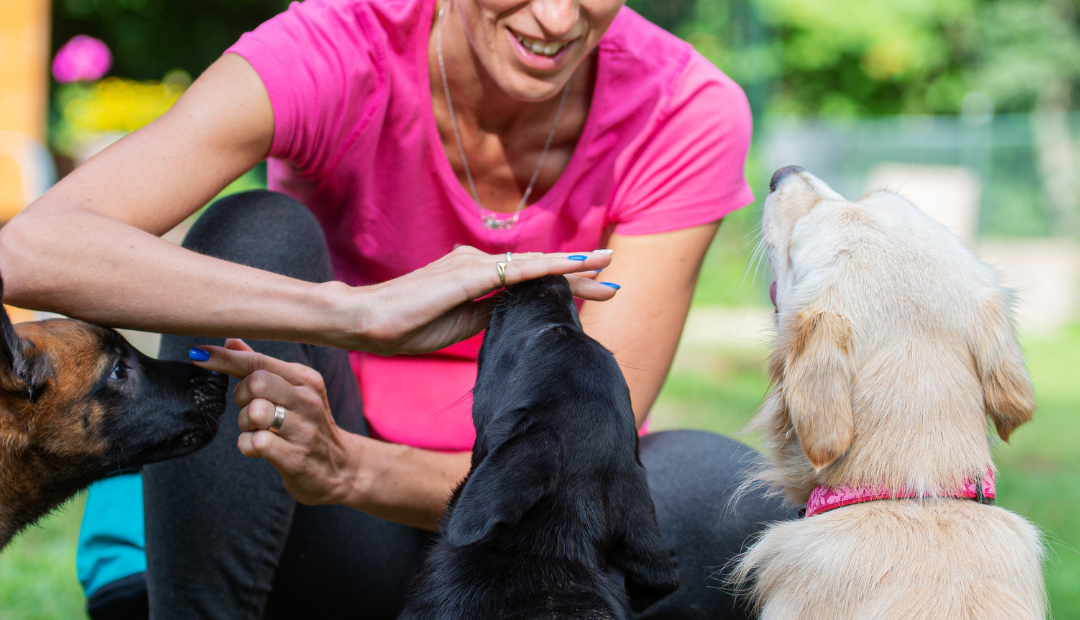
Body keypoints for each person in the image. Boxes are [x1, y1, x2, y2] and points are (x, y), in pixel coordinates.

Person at [0, 0, 797, 618]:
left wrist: (352, 470)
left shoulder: (681, 107)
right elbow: (30, 250)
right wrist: (354, 313)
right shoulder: (344, 45)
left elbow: (583, 462)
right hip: (318, 539)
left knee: (727, 497)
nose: (557, 19)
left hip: (523, 546)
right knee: (255, 233)